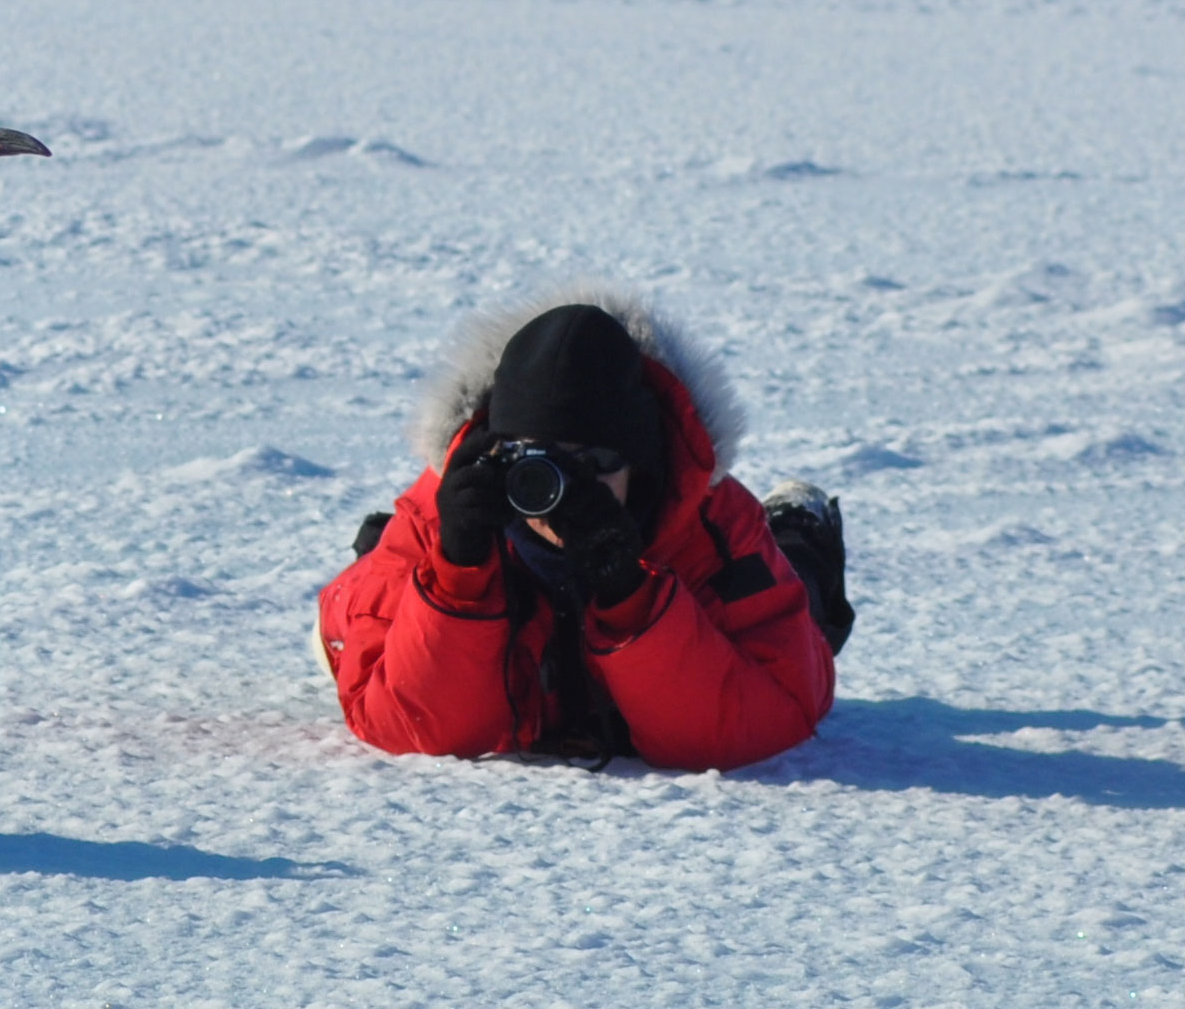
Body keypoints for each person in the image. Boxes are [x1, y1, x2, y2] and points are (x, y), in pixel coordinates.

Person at [319, 291, 845, 768]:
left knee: (803, 601)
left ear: (640, 465)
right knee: (377, 586)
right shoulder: (443, 514)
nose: (562, 489)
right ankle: (379, 543)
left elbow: (772, 715)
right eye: (536, 464)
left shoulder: (707, 520)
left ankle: (798, 529)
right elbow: (406, 722)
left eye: (592, 462)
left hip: (690, 576)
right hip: (445, 552)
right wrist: (458, 573)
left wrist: (631, 592)